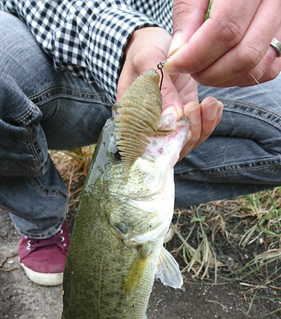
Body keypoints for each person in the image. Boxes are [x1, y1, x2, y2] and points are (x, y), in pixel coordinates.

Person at [0, 0, 280, 286]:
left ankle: (133, 201)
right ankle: (41, 219)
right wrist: (128, 39)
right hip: (48, 59)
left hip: (170, 71)